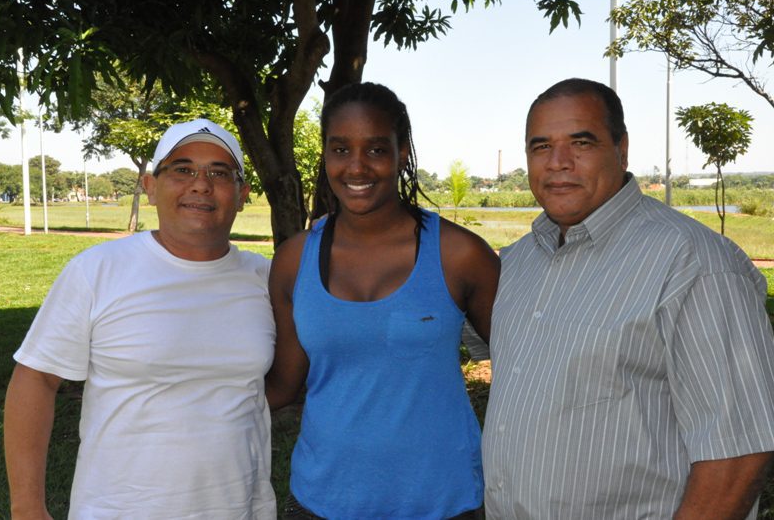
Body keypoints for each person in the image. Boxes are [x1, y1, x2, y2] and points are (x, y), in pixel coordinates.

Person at [482, 77, 774, 519]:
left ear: (622, 148)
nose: (558, 162)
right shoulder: (518, 263)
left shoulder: (695, 265)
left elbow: (738, 454)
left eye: (581, 142)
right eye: (540, 147)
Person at [4, 119, 276, 519]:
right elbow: (36, 378)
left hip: (240, 508)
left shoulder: (266, 279)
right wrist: (28, 508)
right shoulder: (97, 270)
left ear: (241, 195)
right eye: (182, 169)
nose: (201, 184)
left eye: (220, 173)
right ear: (150, 187)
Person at [266, 82, 500, 519]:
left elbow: (523, 367)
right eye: (340, 149)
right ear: (325, 154)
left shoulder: (459, 255)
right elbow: (283, 384)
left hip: (442, 501)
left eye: (375, 150)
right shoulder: (293, 260)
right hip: (323, 499)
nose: (356, 167)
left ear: (402, 152)